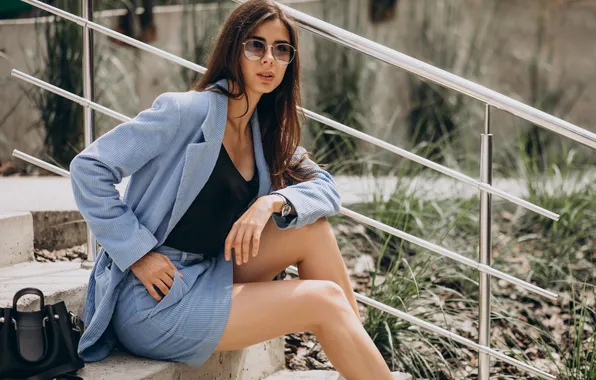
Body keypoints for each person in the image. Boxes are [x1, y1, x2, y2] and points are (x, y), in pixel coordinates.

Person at [69, 1, 395, 378]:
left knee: (312, 229)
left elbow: (326, 189)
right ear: (233, 50)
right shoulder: (185, 112)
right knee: (324, 300)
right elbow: (89, 168)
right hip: (155, 297)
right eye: (256, 46)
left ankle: (356, 361)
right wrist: (138, 252)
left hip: (212, 272)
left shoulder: (265, 132)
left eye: (281, 49)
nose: (268, 59)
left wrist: (272, 202)